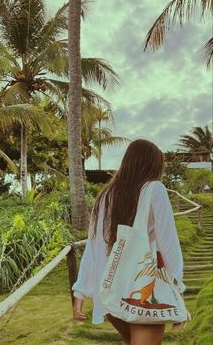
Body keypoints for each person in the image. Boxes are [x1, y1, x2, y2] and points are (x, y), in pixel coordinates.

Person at [72, 139, 186, 345]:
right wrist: (177, 289)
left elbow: (94, 247)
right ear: (152, 166)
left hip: (111, 290)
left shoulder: (105, 196)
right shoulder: (154, 189)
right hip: (142, 288)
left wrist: (81, 291)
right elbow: (168, 243)